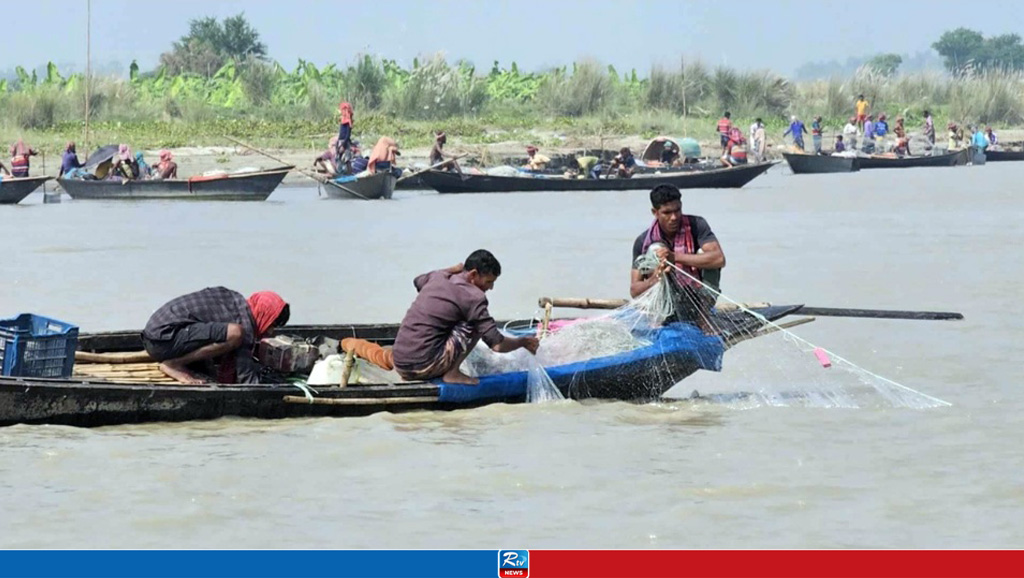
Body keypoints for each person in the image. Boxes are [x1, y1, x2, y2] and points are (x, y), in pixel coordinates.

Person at [392, 250, 539, 385]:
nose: (491, 287)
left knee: (461, 317)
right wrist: (522, 342)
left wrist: (451, 269)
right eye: (488, 281)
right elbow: (497, 345)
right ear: (473, 275)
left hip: (400, 364)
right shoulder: (474, 297)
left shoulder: (437, 276)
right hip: (423, 366)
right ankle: (452, 373)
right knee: (474, 323)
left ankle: (441, 367)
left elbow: (418, 280)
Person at [141, 287, 289, 385]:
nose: (270, 332)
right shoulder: (245, 325)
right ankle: (173, 364)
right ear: (264, 314)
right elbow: (246, 378)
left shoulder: (235, 301)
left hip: (155, 335)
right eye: (272, 325)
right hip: (163, 340)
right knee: (235, 333)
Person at [630, 184, 725, 330]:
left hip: (696, 297)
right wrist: (657, 278)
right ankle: (659, 319)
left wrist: (675, 257)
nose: (674, 217)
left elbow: (719, 259)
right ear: (655, 212)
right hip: (665, 300)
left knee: (706, 256)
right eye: (667, 212)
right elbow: (635, 291)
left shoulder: (696, 225)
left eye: (677, 210)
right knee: (655, 251)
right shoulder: (643, 241)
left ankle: (704, 318)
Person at [336, 101, 355, 172]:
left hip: (345, 143)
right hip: (341, 142)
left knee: (346, 159)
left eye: (342, 110)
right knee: (339, 159)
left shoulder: (348, 122)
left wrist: (343, 145)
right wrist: (338, 143)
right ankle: (340, 173)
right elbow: (341, 134)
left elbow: (347, 135)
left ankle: (349, 173)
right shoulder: (343, 121)